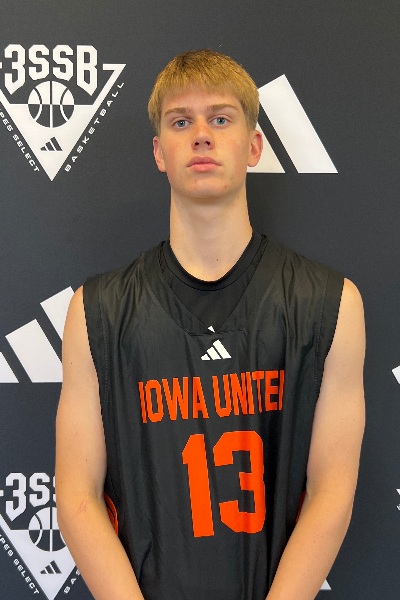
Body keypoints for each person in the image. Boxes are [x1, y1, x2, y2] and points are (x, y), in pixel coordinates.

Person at [55, 49, 365, 600]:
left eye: (220, 118)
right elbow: (77, 498)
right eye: (181, 122)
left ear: (254, 146)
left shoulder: (331, 303)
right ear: (159, 152)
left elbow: (331, 494)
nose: (201, 135)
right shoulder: (95, 311)